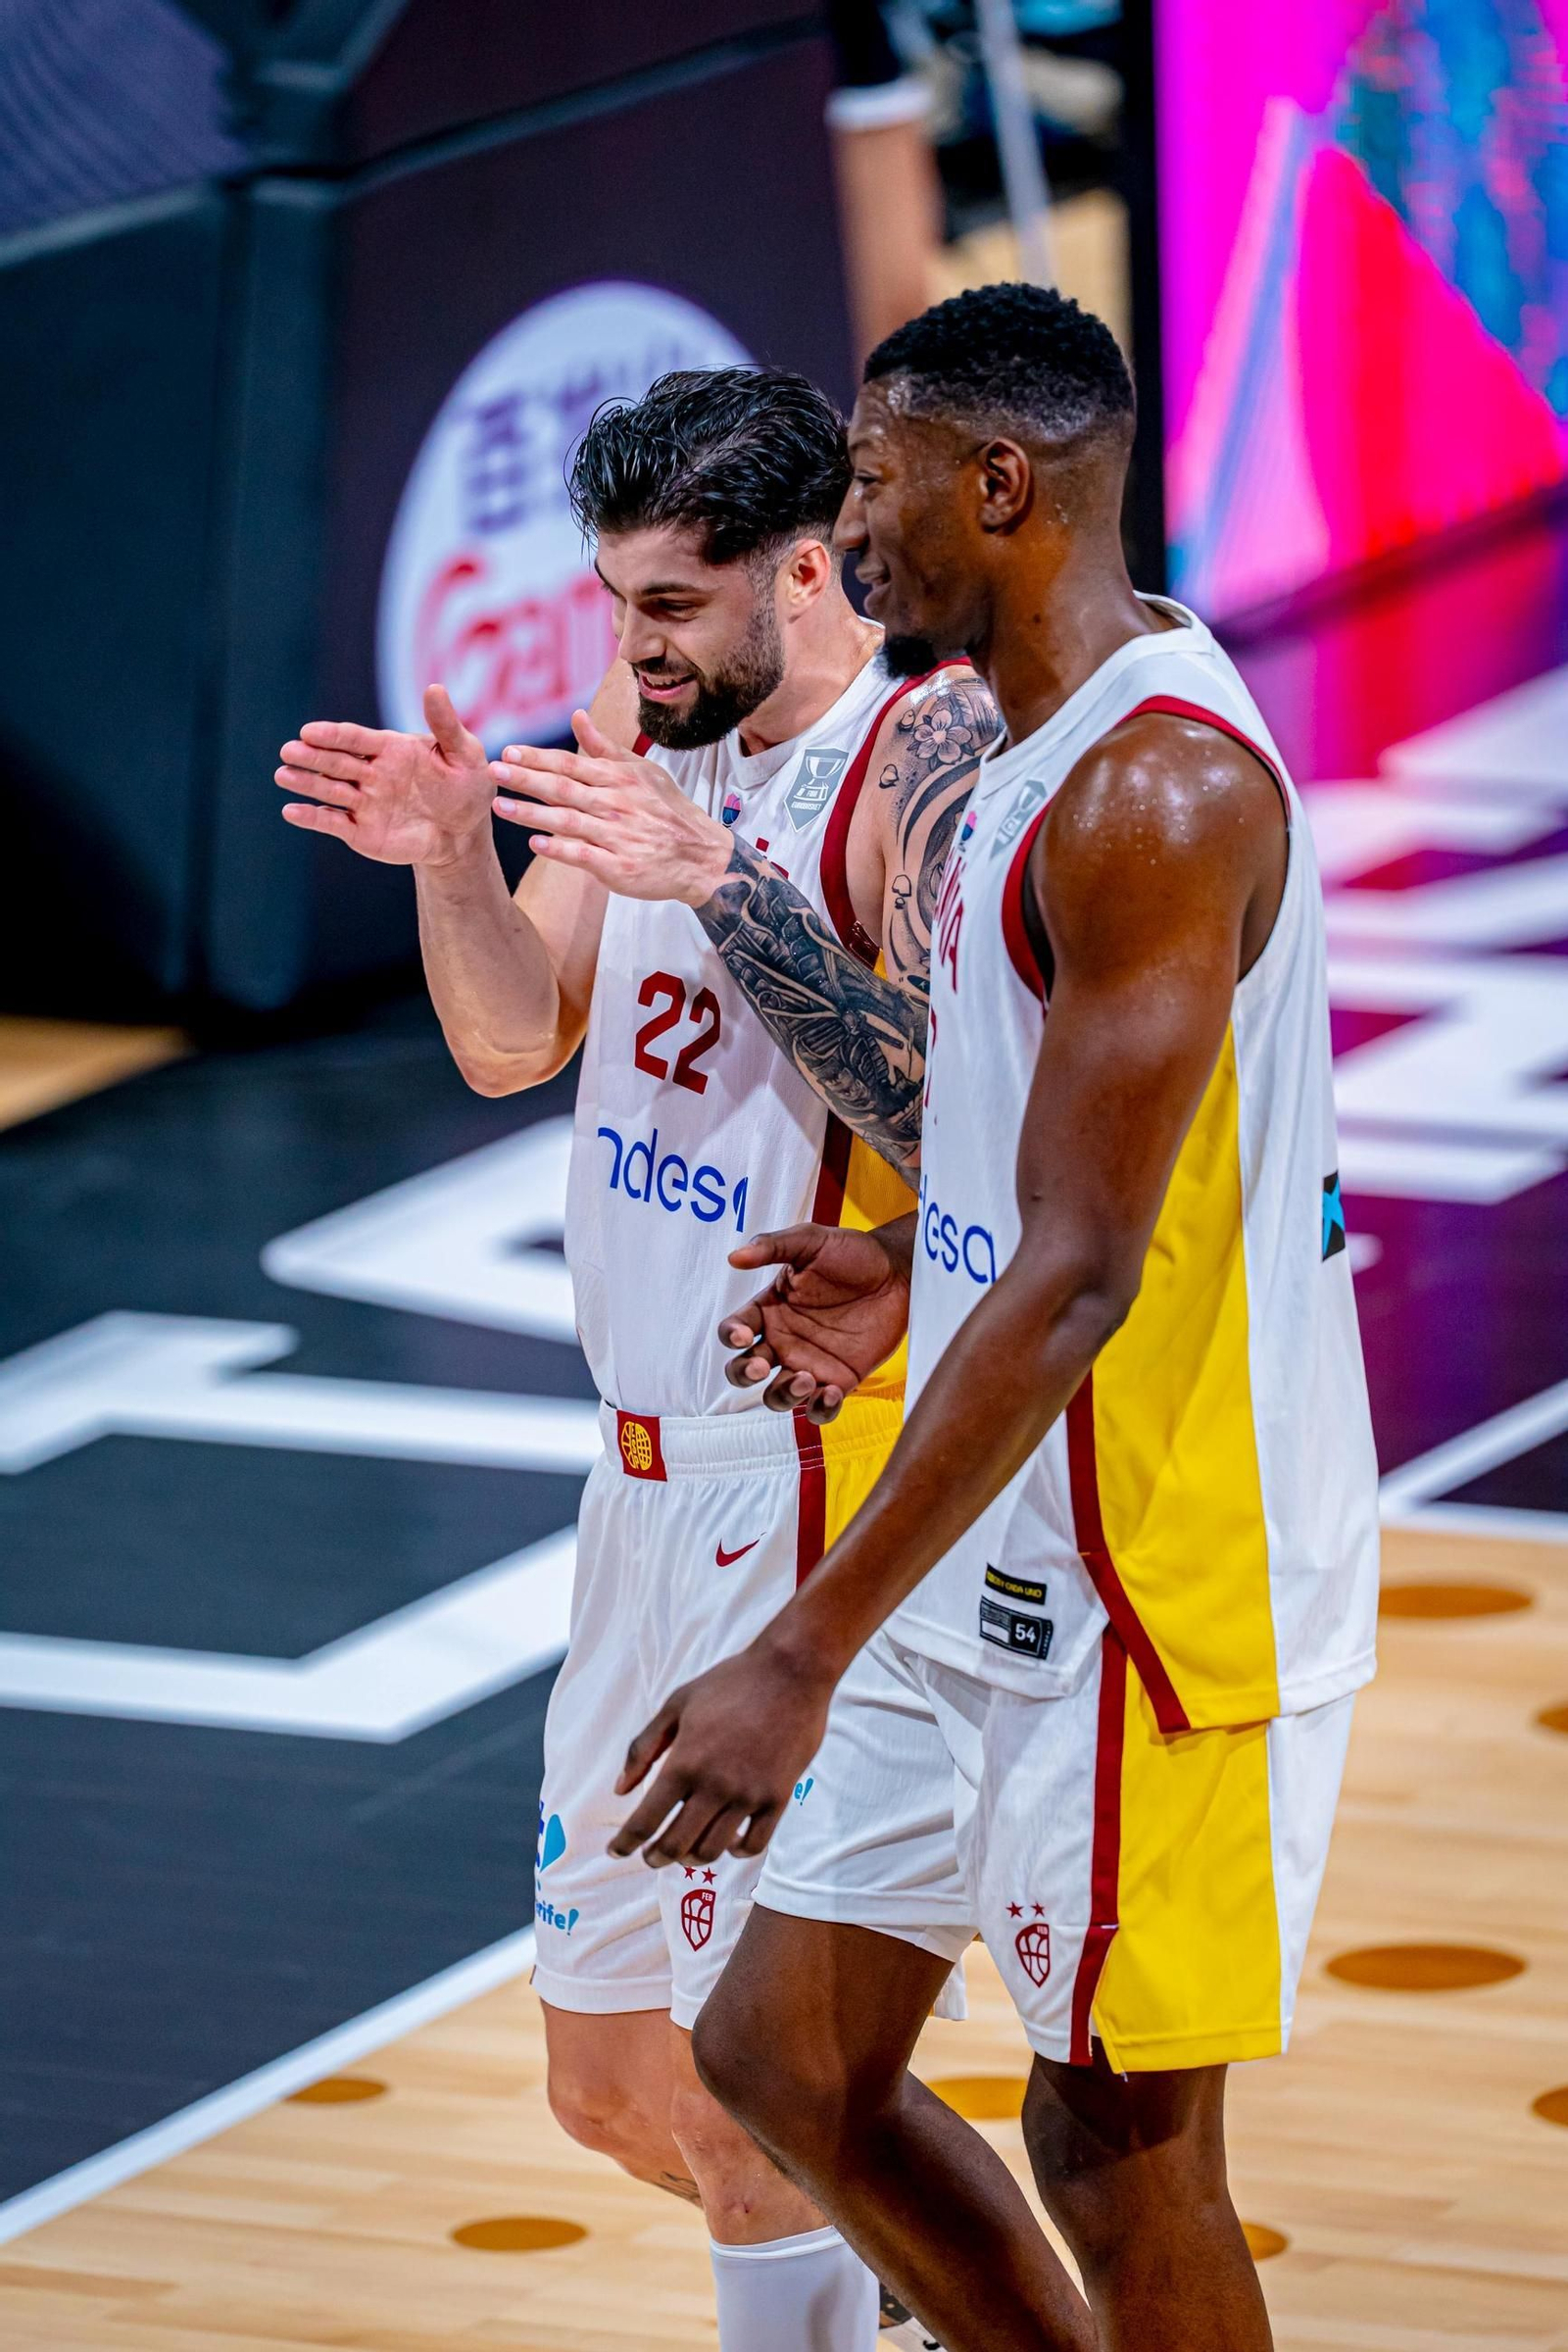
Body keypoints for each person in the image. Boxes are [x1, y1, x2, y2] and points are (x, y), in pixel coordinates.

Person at [606, 286, 1382, 2352]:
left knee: (1119, 2161)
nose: (852, 538)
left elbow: (1081, 1272)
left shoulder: (1150, 795)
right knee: (778, 2056)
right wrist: (916, 1253)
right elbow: (1032, 1196)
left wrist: (793, 1649)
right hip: (995, 1527)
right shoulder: (1027, 751)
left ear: (1000, 486)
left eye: (872, 485)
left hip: (1156, 1560)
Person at [275, 365, 996, 2352]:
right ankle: (950, 2307)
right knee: (608, 2088)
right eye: (608, 604)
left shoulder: (919, 768)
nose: (628, 650)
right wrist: (442, 854)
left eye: (666, 608)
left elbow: (977, 1136)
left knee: (756, 2085)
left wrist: (733, 895)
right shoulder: (635, 736)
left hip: (807, 1477)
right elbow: (515, 1035)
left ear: (800, 568)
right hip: (634, 1481)